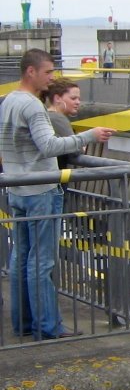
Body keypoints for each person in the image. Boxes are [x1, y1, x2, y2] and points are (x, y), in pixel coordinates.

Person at [0, 49, 115, 339]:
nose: (52, 78)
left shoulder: (8, 102)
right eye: (48, 72)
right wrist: (89, 136)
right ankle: (48, 327)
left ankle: (23, 324)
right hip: (41, 189)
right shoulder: (32, 107)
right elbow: (48, 146)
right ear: (31, 72)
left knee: (20, 259)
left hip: (17, 188)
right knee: (42, 263)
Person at [42, 78, 84, 169]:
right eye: (73, 98)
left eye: (79, 99)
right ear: (57, 98)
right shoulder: (58, 119)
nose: (78, 102)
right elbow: (76, 149)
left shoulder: (45, 115)